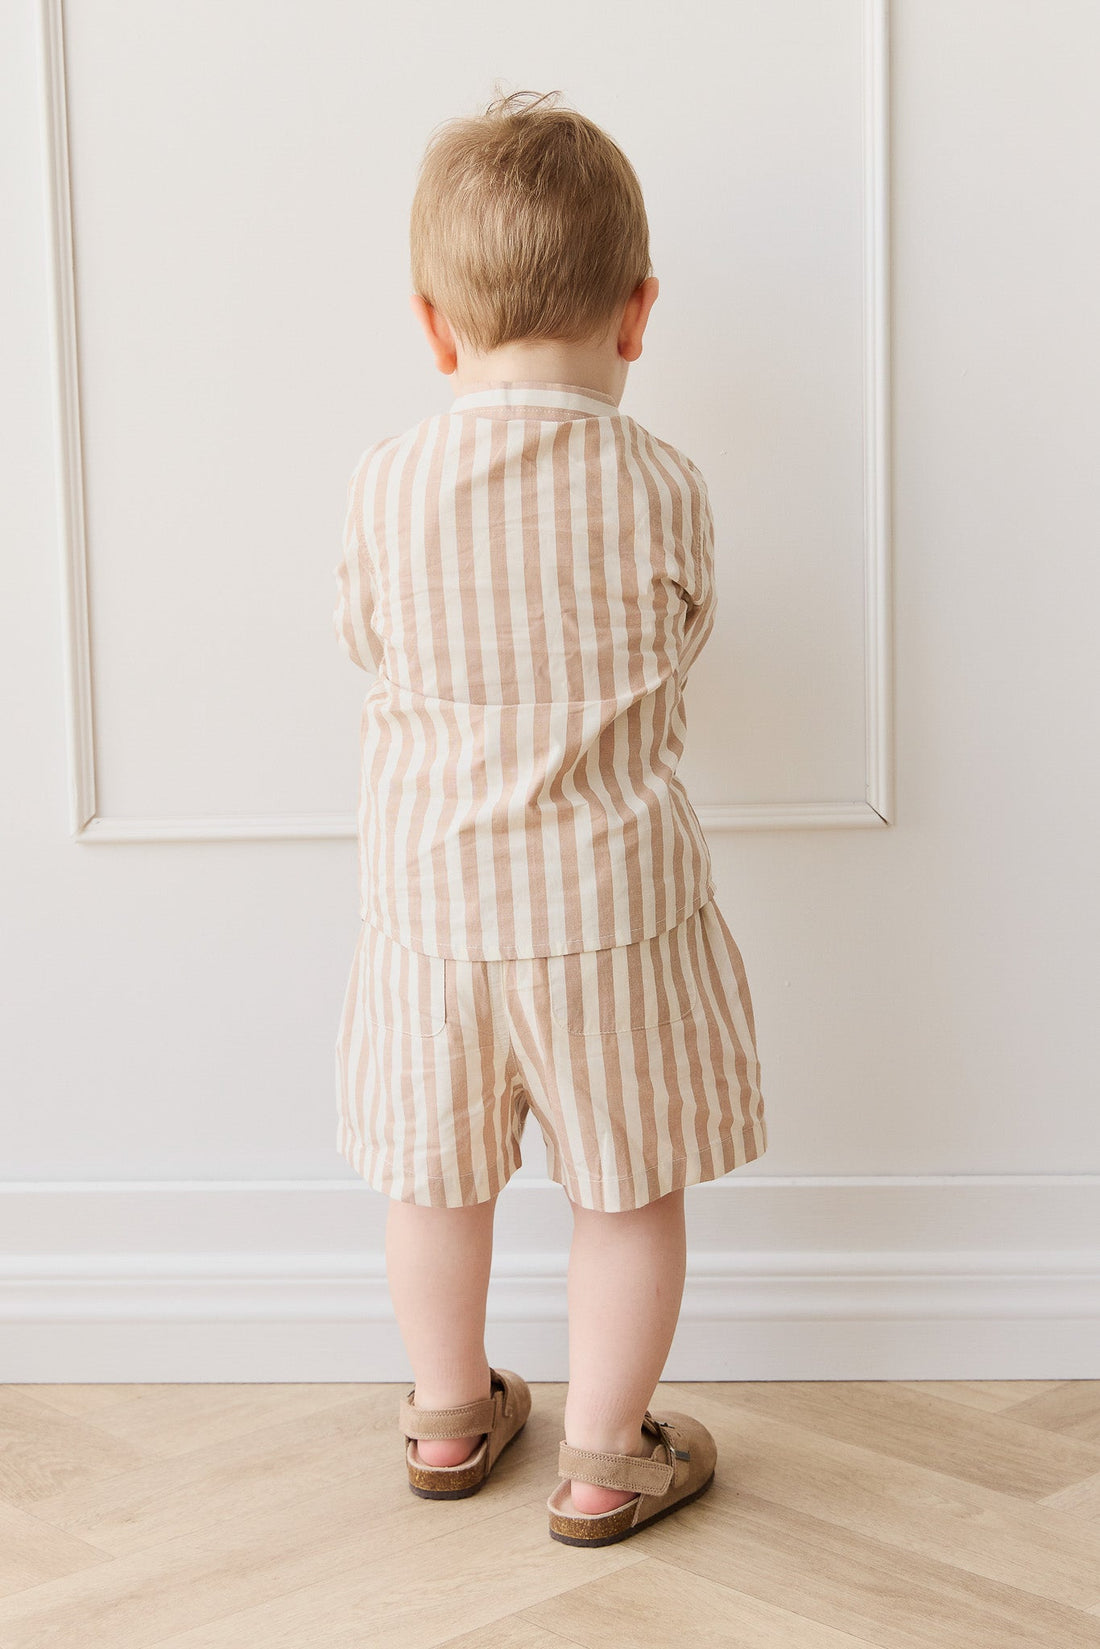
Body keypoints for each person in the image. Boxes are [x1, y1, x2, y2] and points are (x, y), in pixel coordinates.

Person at [332, 88, 767, 1547]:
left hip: (434, 916)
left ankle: (448, 1414)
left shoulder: (386, 485)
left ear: (434, 327)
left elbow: (367, 640)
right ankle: (603, 1456)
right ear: (639, 314)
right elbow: (684, 639)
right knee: (627, 1190)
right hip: (611, 915)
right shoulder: (662, 485)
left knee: (434, 1180)